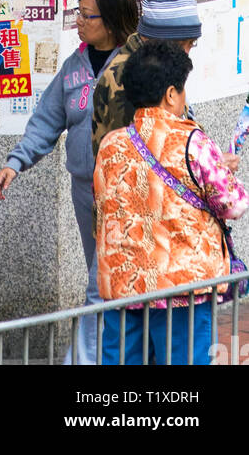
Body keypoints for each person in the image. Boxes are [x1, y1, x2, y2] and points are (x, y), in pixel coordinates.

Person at [0, 0, 138, 363]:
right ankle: (125, 352)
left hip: (125, 192)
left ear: (110, 21)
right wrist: (15, 162)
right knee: (109, 278)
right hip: (84, 190)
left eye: (86, 15)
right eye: (77, 12)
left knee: (98, 282)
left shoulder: (136, 65)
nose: (78, 21)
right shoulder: (74, 67)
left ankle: (84, 360)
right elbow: (46, 120)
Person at [95, 41, 249, 365]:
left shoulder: (110, 145)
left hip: (124, 285)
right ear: (170, 94)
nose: (184, 100)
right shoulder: (192, 140)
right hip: (182, 288)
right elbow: (232, 203)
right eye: (182, 91)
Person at [91, 0, 201, 158]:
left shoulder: (161, 65)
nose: (186, 53)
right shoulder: (127, 79)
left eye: (191, 43)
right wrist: (205, 167)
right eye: (181, 44)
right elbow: (143, 160)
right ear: (154, 38)